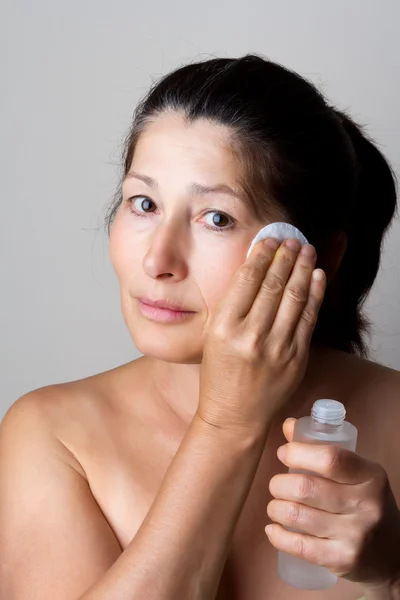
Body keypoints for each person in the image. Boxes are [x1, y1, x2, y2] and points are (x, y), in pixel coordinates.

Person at [0, 54, 399, 600]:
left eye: (217, 218)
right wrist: (228, 424)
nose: (157, 260)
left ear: (320, 254)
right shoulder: (52, 435)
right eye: (143, 203)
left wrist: (390, 572)